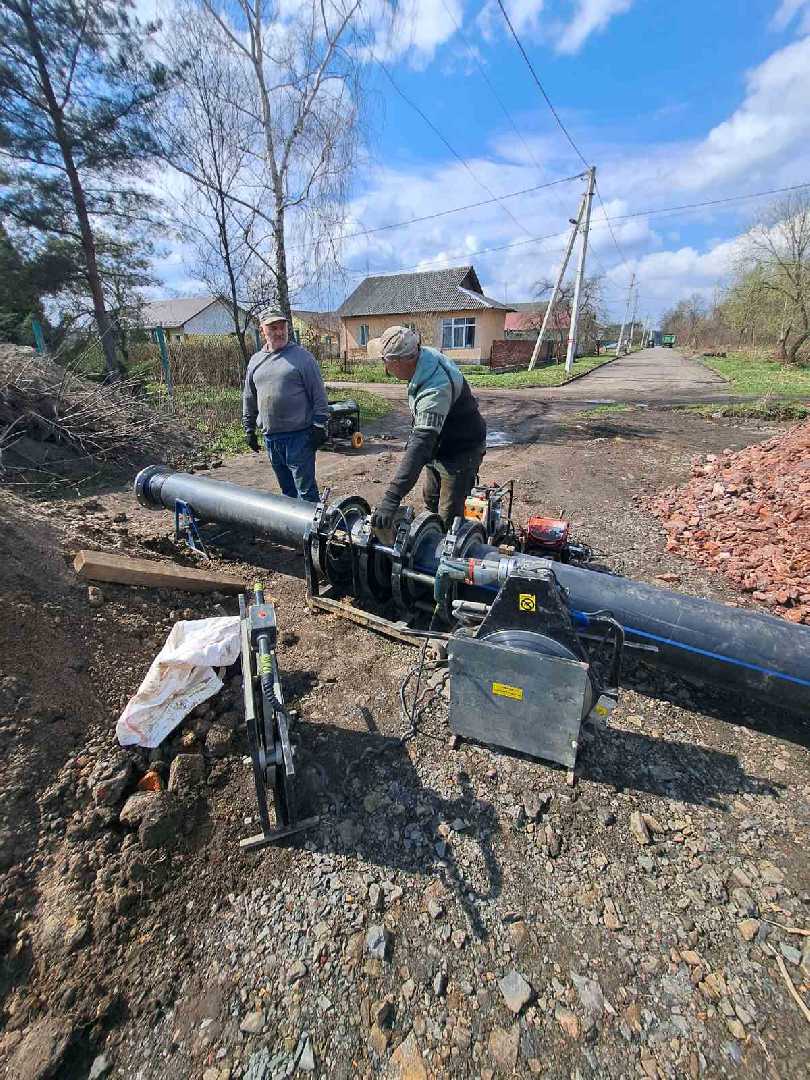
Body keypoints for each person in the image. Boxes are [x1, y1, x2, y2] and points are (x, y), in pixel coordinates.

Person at [369, 325, 487, 535]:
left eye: (385, 360)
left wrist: (391, 498)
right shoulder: (422, 358)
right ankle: (431, 536)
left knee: (449, 517)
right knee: (431, 499)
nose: (384, 367)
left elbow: (420, 446)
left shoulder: (435, 390)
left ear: (401, 361)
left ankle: (445, 555)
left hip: (461, 451)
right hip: (440, 446)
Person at [242, 308, 330, 503]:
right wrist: (248, 429)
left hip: (299, 437)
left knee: (306, 492)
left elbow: (319, 395)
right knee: (287, 492)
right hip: (271, 438)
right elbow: (249, 397)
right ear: (262, 330)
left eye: (282, 327)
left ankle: (312, 531)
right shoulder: (255, 361)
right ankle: (292, 532)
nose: (279, 332)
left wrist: (319, 425)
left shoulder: (302, 358)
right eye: (273, 328)